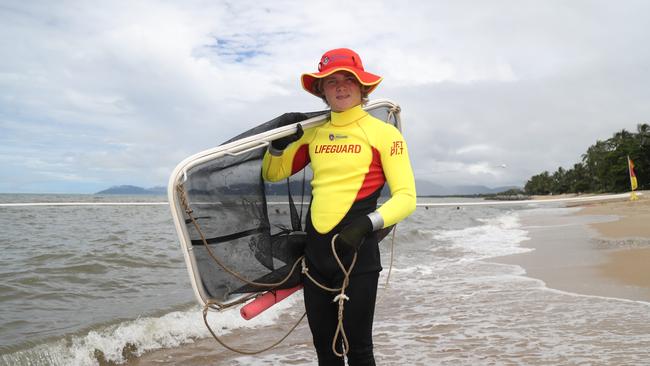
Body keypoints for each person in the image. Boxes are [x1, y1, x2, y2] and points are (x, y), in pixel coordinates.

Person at [262, 48, 416, 365]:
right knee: (326, 353)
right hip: (315, 259)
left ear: (363, 87)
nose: (341, 87)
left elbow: (406, 198)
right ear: (321, 90)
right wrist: (277, 147)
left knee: (359, 351)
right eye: (331, 82)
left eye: (349, 79)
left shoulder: (384, 134)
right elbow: (272, 173)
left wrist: (365, 226)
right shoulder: (314, 135)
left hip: (358, 256)